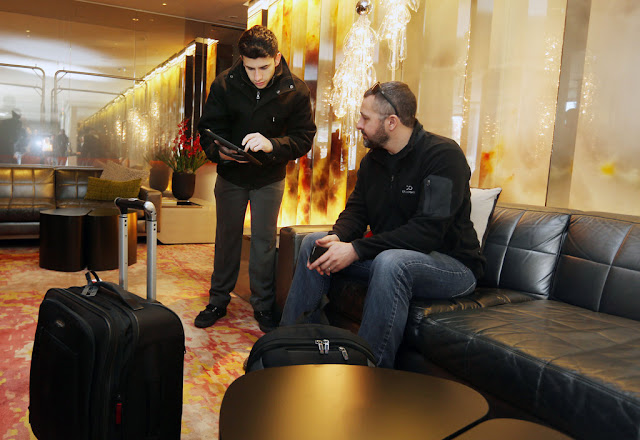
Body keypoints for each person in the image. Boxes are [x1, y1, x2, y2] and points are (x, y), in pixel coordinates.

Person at [279, 81, 485, 368]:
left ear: (391, 122)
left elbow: (427, 233)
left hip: (452, 266)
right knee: (315, 244)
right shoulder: (373, 161)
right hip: (392, 256)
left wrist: (357, 249)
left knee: (392, 262)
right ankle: (291, 349)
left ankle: (367, 371)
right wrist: (338, 237)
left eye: (365, 118)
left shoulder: (443, 156)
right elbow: (357, 211)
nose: (358, 125)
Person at [195, 25, 317, 332]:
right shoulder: (224, 84)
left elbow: (304, 138)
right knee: (226, 239)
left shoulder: (296, 90)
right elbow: (208, 130)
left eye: (263, 67)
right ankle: (217, 301)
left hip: (269, 177)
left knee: (263, 243)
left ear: (277, 58)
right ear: (242, 61)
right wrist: (220, 152)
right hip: (231, 175)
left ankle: (263, 306)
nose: (257, 76)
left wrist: (272, 144)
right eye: (250, 68)